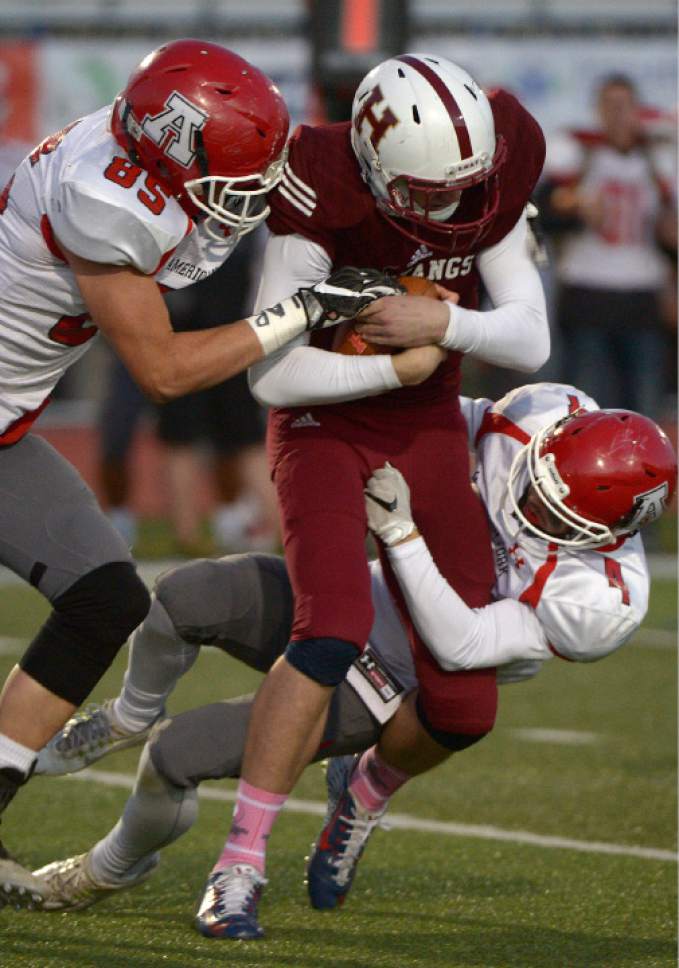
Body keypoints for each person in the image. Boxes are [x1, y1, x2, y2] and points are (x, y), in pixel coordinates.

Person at [0, 37, 405, 907]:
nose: (246, 199)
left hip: (5, 429)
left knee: (106, 596)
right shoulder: (102, 200)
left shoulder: (136, 149)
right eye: (234, 178)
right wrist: (302, 310)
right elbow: (164, 372)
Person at [30, 382, 677, 924]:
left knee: (176, 756)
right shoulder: (538, 413)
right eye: (535, 481)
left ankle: (105, 870)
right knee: (180, 594)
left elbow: (462, 643)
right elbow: (436, 425)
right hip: (362, 596)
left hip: (394, 675)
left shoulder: (600, 599)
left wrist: (399, 531)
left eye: (554, 514)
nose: (526, 503)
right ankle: (129, 713)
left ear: (610, 533)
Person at [190, 52, 549, 937]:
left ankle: (362, 792)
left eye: (466, 187)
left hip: (424, 422)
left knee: (465, 702)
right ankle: (239, 864)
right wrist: (398, 362)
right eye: (429, 192)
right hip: (324, 422)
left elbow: (528, 337)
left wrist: (442, 326)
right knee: (331, 630)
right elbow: (272, 379)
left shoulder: (490, 167)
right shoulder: (319, 183)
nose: (451, 208)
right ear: (373, 164)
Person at [542, 73, 676, 420]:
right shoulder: (578, 155)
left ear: (637, 110)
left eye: (624, 106)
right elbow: (541, 212)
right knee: (587, 409)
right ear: (598, 111)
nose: (617, 115)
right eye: (609, 106)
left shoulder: (659, 162)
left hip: (642, 297)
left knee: (644, 408)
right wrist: (570, 206)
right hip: (587, 294)